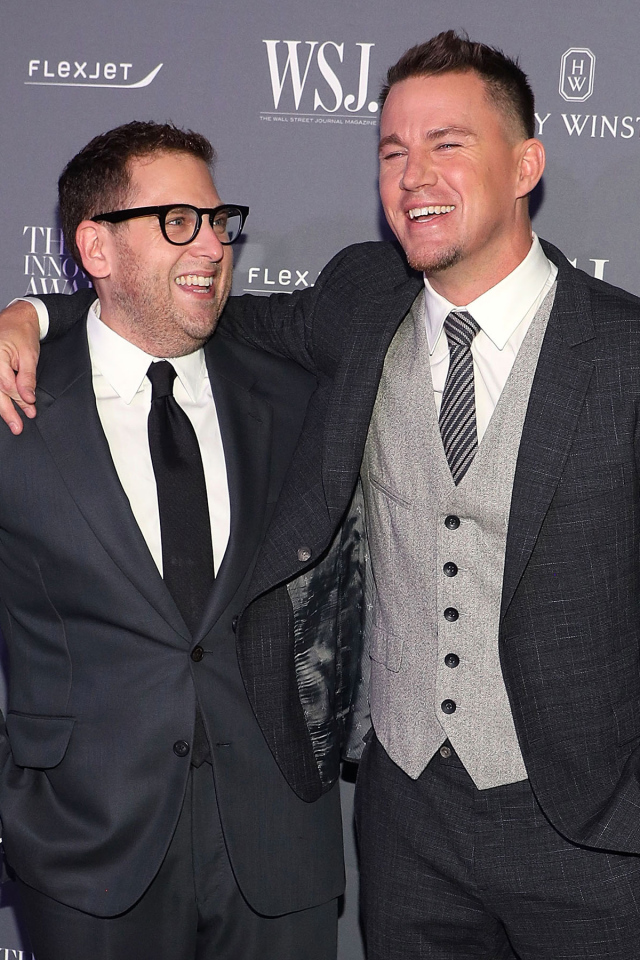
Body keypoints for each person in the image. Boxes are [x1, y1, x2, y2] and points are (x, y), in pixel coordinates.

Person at [4, 29, 640, 960]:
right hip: (406, 828)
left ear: (525, 165)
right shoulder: (360, 299)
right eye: (393, 152)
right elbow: (175, 311)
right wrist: (35, 312)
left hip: (591, 833)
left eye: (447, 144)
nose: (414, 176)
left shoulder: (623, 349)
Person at [0, 121, 362, 960]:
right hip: (85, 850)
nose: (211, 245)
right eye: (177, 222)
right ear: (96, 247)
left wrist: (30, 309)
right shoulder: (18, 405)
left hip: (278, 849)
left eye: (218, 220)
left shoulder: (296, 391)